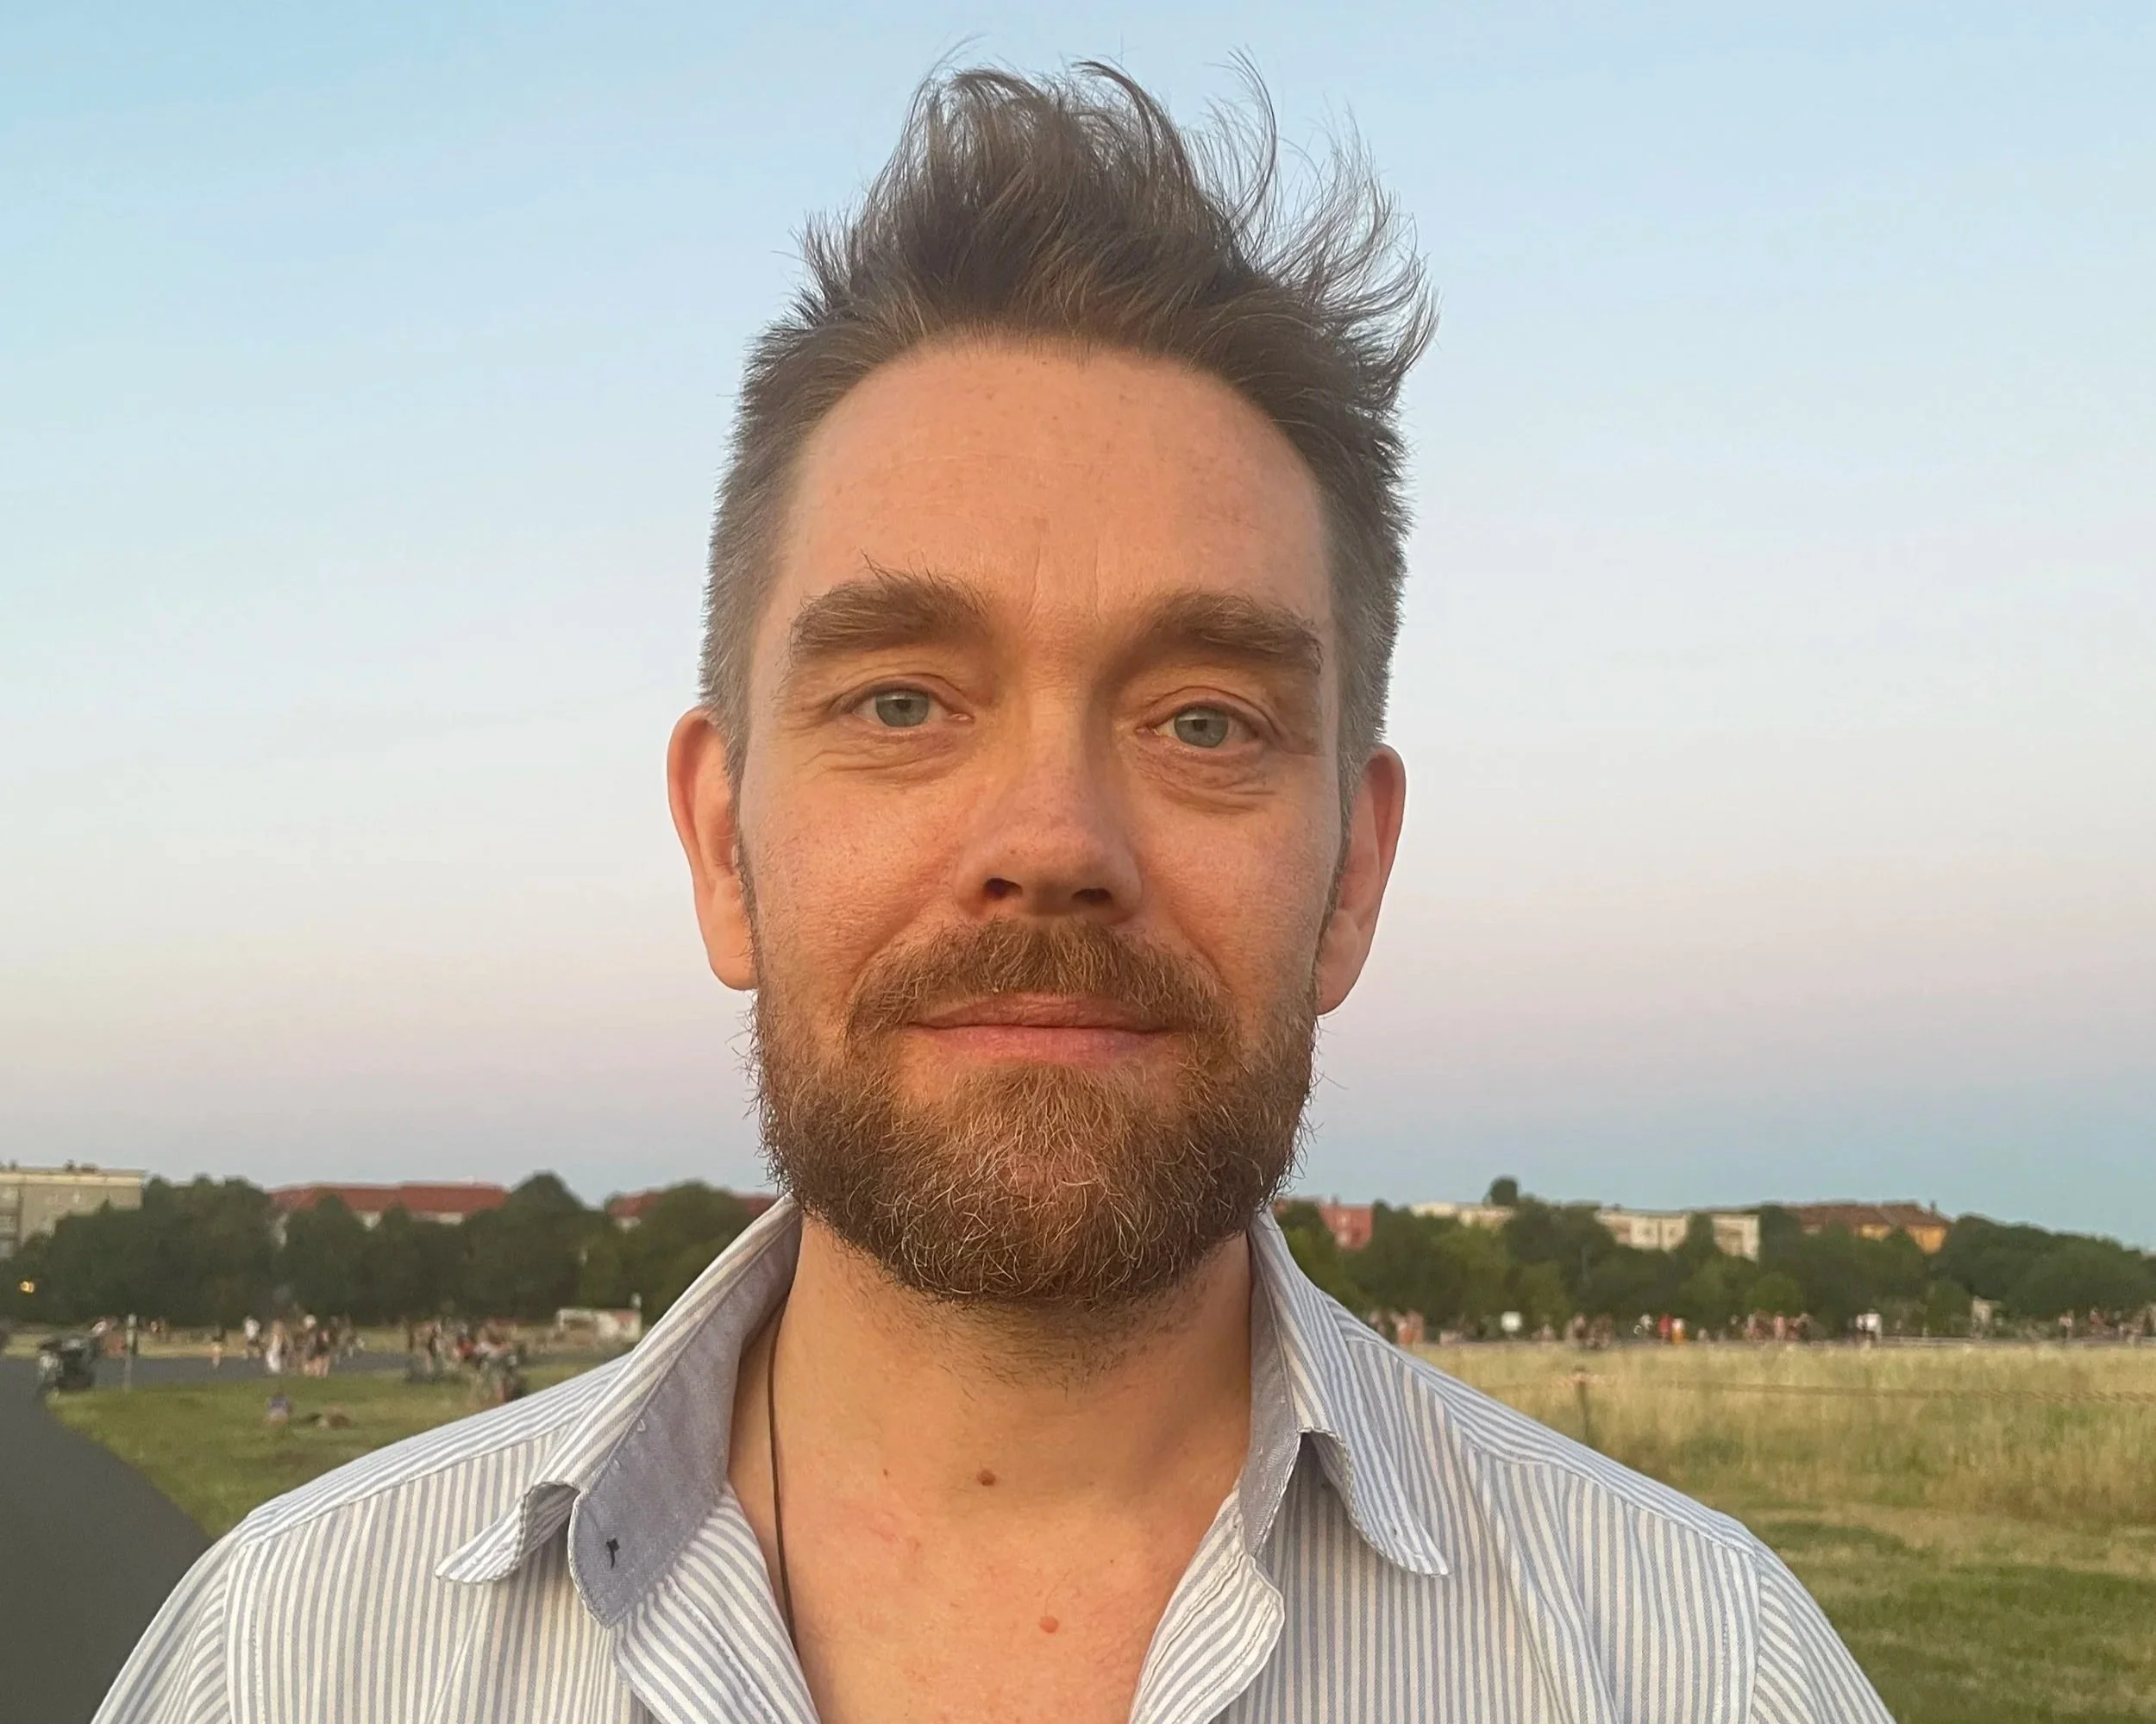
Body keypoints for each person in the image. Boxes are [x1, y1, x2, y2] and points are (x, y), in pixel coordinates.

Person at [97, 63, 1888, 1724]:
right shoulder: (290, 1651)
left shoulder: (1695, 1668)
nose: (1051, 838)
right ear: (720, 843)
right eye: (900, 702)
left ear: (1352, 875)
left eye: (1202, 718)